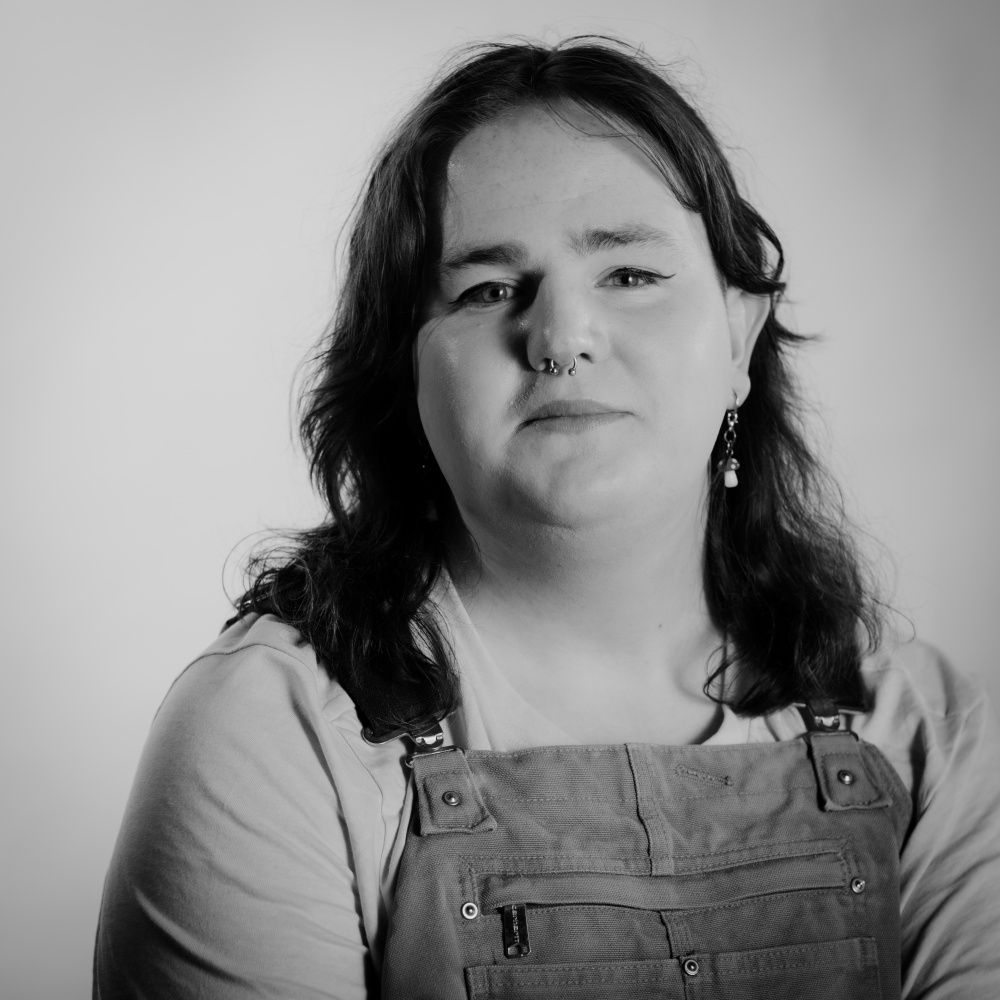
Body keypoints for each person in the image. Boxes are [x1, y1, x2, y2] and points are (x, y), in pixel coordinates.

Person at [93, 37, 1000, 999]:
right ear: (405, 373)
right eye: (487, 290)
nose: (562, 337)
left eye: (631, 275)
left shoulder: (926, 730)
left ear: (739, 338)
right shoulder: (274, 732)